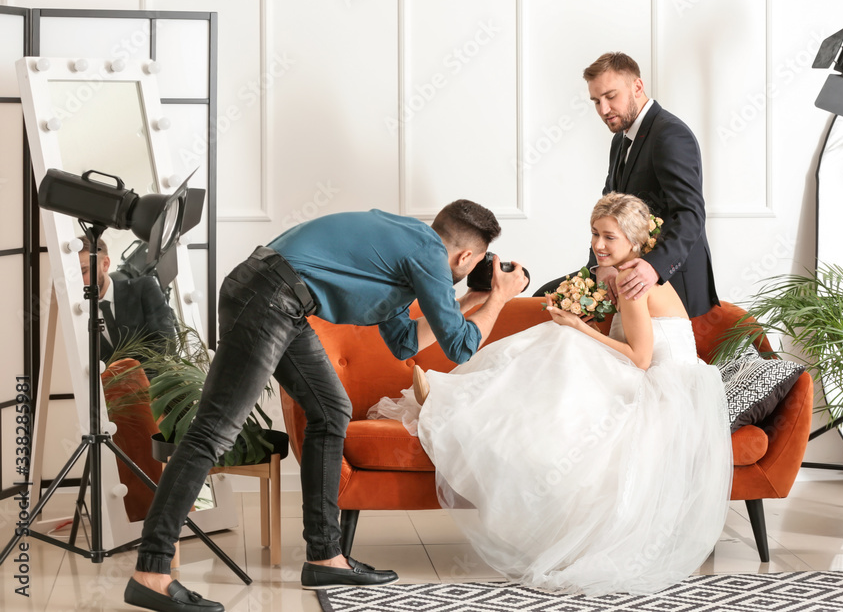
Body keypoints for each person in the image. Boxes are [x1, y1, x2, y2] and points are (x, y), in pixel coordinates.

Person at [124, 201, 528, 612]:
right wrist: (500, 298)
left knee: (331, 411)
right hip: (270, 298)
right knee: (213, 432)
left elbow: (406, 342)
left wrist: (474, 301)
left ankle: (324, 557)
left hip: (278, 297)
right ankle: (151, 572)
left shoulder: (405, 245)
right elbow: (461, 348)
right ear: (466, 257)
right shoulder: (429, 256)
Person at [371, 193, 732, 596]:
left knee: (565, 345)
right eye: (595, 234)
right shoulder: (630, 272)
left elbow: (641, 359)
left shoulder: (633, 281)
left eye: (609, 237)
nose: (598, 245)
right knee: (559, 347)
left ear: (633, 240)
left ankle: (453, 397)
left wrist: (579, 327)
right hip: (654, 379)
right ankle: (455, 396)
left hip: (657, 390)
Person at [535, 52, 719, 318]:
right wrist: (600, 267)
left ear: (637, 87)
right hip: (624, 267)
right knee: (545, 299)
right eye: (596, 101)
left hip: (672, 277)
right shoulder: (620, 140)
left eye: (611, 96)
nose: (603, 110)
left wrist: (653, 267)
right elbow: (606, 215)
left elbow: (690, 215)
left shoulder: (670, 134)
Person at [78, 235, 178, 366]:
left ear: (105, 264)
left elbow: (166, 343)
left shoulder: (144, 289)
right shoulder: (78, 313)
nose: (79, 280)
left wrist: (139, 380)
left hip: (157, 383)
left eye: (84, 271)